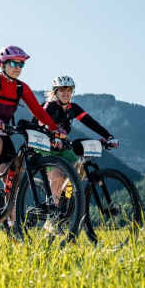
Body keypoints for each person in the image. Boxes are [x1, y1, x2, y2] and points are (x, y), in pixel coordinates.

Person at [0, 46, 66, 206]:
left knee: (13, 178)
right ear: (2, 64)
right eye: (13, 63)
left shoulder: (21, 87)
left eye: (21, 64)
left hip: (2, 132)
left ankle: (11, 224)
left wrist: (54, 128)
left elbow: (38, 110)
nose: (18, 68)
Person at [39, 75, 119, 228]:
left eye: (69, 90)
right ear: (55, 92)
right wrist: (52, 134)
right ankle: (52, 218)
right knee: (56, 175)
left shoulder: (72, 108)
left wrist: (108, 136)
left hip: (62, 146)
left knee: (79, 170)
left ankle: (65, 203)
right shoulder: (49, 106)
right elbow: (41, 122)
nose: (66, 93)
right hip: (45, 146)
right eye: (62, 90)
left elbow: (90, 122)